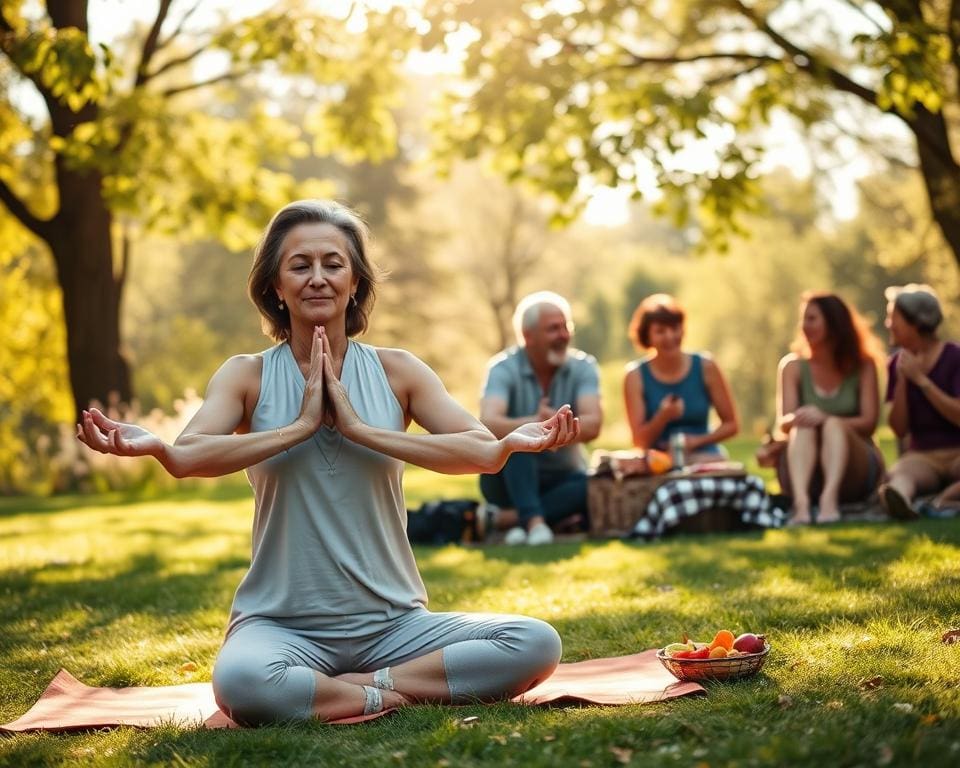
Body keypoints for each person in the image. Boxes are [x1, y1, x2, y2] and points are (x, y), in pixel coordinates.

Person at [76, 200, 577, 726]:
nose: (318, 278)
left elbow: (480, 451)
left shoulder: (398, 370)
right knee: (243, 683)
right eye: (300, 265)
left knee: (534, 642)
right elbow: (187, 456)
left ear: (356, 281)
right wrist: (296, 428)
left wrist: (364, 431)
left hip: (394, 626)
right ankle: (390, 694)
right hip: (280, 626)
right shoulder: (246, 375)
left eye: (333, 264)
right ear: (275, 284)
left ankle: (357, 689)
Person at [478, 291, 603, 546]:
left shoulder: (584, 367)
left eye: (566, 326)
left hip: (563, 478)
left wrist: (556, 430)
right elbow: (489, 422)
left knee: (594, 486)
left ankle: (508, 521)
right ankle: (535, 522)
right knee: (520, 441)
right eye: (553, 329)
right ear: (528, 336)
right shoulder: (502, 368)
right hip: (505, 481)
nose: (563, 335)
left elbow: (594, 424)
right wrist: (536, 426)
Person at [775, 292, 884, 525]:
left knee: (833, 425)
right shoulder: (792, 366)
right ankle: (802, 505)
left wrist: (825, 418)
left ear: (834, 323)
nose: (804, 326)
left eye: (812, 318)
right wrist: (799, 418)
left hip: (856, 468)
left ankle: (829, 501)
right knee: (803, 427)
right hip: (806, 465)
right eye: (803, 319)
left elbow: (870, 422)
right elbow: (783, 424)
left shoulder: (864, 366)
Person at [623, 294, 738, 465]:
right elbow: (639, 441)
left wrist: (695, 442)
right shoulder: (635, 376)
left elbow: (732, 425)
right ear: (647, 336)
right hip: (658, 462)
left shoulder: (706, 366)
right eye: (661, 331)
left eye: (675, 328)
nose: (670, 336)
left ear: (682, 329)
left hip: (705, 457)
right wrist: (663, 417)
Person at [880, 284, 960, 518]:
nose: (888, 324)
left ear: (915, 323)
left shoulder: (955, 357)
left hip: (957, 451)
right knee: (899, 476)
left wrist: (921, 380)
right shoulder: (896, 365)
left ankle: (945, 499)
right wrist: (904, 381)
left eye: (893, 317)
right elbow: (898, 428)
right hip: (923, 456)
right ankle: (900, 500)